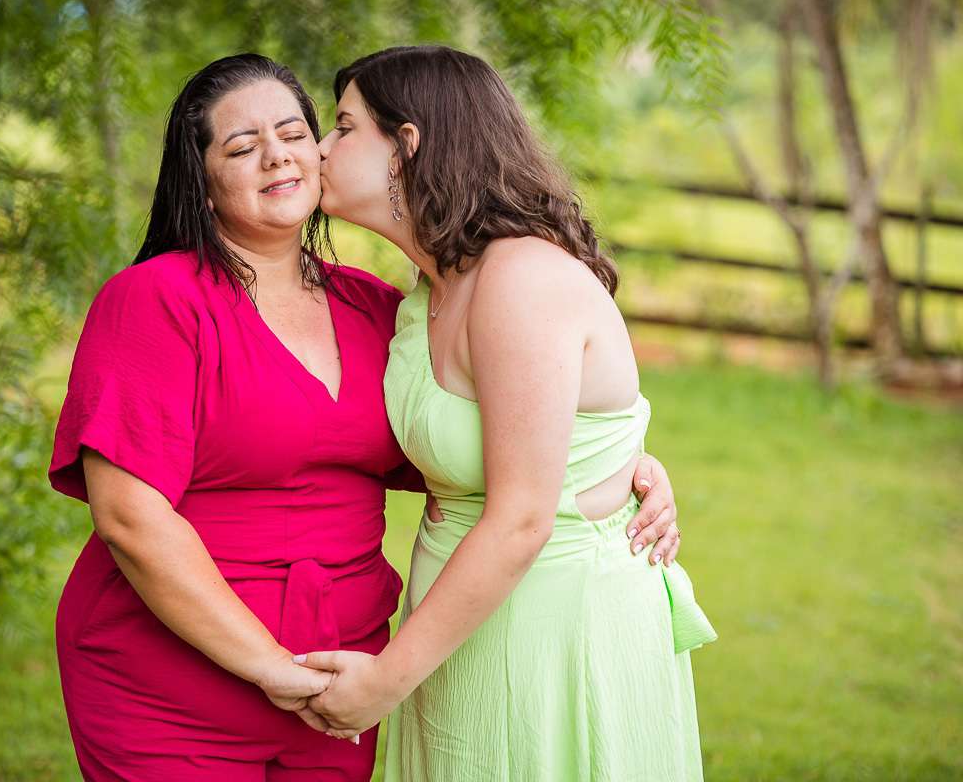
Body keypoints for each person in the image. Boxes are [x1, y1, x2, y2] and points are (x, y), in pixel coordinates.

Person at [48, 53, 684, 781]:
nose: (285, 154)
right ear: (202, 177)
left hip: (337, 688)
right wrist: (265, 665)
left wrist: (620, 467)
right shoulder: (155, 301)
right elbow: (130, 517)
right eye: (241, 145)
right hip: (172, 686)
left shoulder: (383, 311)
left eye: (299, 130)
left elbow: (474, 449)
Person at [302, 45, 717, 782]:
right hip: (461, 622)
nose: (319, 148)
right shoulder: (429, 294)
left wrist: (383, 682)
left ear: (406, 145)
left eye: (342, 127)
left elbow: (525, 517)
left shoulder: (521, 277)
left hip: (554, 630)